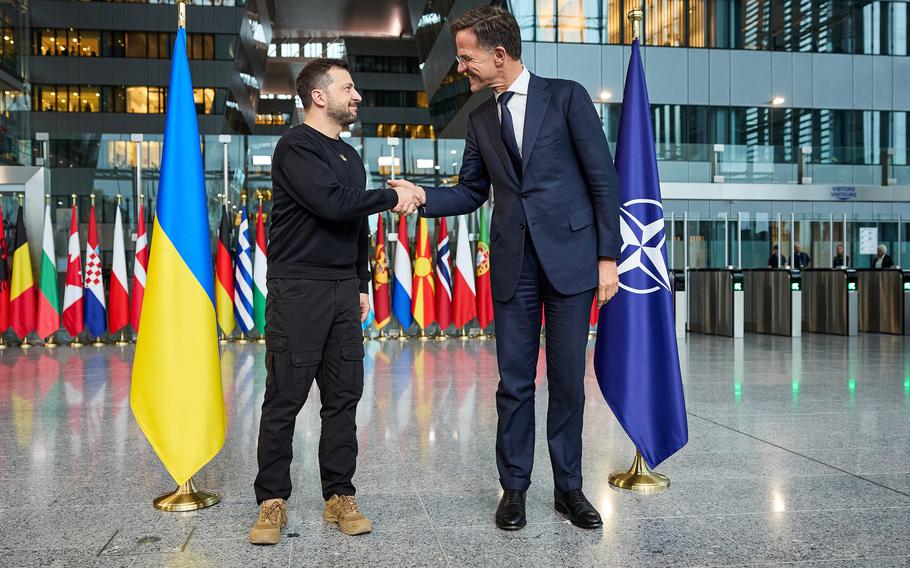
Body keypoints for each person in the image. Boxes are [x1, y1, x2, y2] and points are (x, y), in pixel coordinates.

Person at [390, 6, 619, 531]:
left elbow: (603, 180)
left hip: (571, 263)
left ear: (498, 54)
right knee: (513, 383)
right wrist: (423, 195)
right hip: (513, 266)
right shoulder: (479, 119)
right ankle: (513, 488)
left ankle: (569, 489)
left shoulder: (566, 97)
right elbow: (472, 191)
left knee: (566, 382)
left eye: (467, 58)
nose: (461, 68)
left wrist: (608, 257)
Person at [249, 58, 420, 545]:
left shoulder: (349, 155)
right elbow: (332, 204)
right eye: (348, 88)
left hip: (344, 289)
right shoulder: (295, 146)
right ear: (318, 96)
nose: (357, 96)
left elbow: (353, 225)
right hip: (299, 287)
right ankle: (272, 500)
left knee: (344, 398)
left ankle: (338, 495)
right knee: (285, 398)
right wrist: (392, 195)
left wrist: (362, 283)